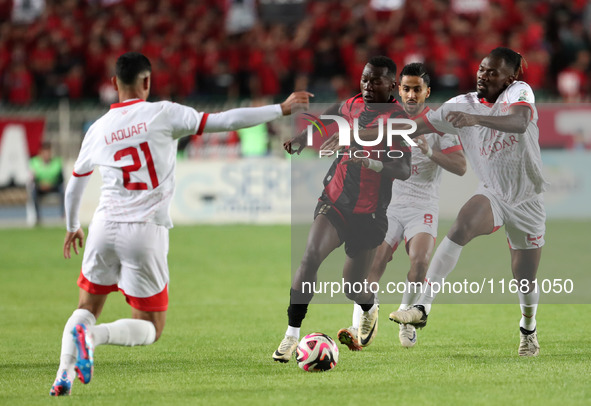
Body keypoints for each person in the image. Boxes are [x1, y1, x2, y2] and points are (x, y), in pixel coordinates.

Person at [50, 51, 312, 396]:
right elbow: (227, 120)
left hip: (102, 227)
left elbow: (74, 186)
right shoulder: (164, 113)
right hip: (145, 231)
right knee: (152, 327)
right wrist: (279, 109)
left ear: (114, 84)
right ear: (147, 81)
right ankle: (94, 339)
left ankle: (63, 375)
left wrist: (72, 226)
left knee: (86, 307)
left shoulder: (98, 128)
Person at [388, 47, 548, 357]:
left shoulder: (519, 92)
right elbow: (418, 126)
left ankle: (528, 329)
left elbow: (519, 122)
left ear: (510, 77)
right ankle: (422, 306)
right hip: (493, 193)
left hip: (528, 199)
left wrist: (474, 119)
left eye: (492, 72)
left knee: (525, 277)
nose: (483, 75)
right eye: (482, 69)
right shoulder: (460, 104)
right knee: (460, 227)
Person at [273, 56, 411, 363]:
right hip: (334, 201)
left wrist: (368, 159)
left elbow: (403, 168)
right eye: (364, 78)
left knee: (353, 288)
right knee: (309, 258)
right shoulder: (351, 105)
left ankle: (369, 306)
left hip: (370, 214)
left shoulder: (399, 120)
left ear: (392, 85)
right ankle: (291, 336)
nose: (366, 85)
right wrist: (301, 138)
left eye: (374, 80)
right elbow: (326, 118)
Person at [336, 63, 466, 351]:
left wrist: (430, 151)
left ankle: (407, 319)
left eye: (416, 89)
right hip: (390, 205)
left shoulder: (438, 125)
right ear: (398, 90)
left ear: (427, 92)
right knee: (375, 263)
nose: (410, 95)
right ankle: (359, 326)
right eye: (405, 88)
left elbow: (461, 166)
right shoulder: (388, 121)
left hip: (423, 206)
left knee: (419, 261)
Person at [29, 141, 65, 225]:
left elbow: (61, 179)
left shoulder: (57, 162)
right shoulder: (34, 162)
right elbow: (32, 178)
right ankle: (38, 217)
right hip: (40, 187)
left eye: (48, 152)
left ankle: (62, 215)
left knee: (63, 192)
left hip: (53, 186)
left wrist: (51, 184)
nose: (46, 155)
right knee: (33, 192)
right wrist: (40, 184)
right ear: (41, 153)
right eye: (44, 153)